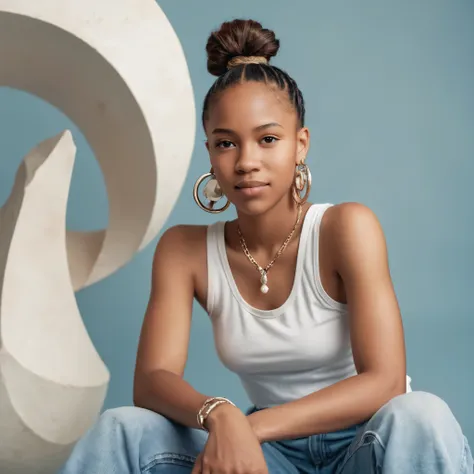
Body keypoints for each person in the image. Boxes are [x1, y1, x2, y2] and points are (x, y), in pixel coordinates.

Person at [58, 18, 473, 474]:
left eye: (268, 139)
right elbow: (153, 381)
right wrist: (220, 414)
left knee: (422, 415)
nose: (247, 162)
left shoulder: (346, 228)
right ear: (210, 155)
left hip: (368, 444)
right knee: (121, 428)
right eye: (226, 143)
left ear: (300, 145)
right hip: (268, 458)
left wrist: (245, 428)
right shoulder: (184, 251)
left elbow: (386, 381)